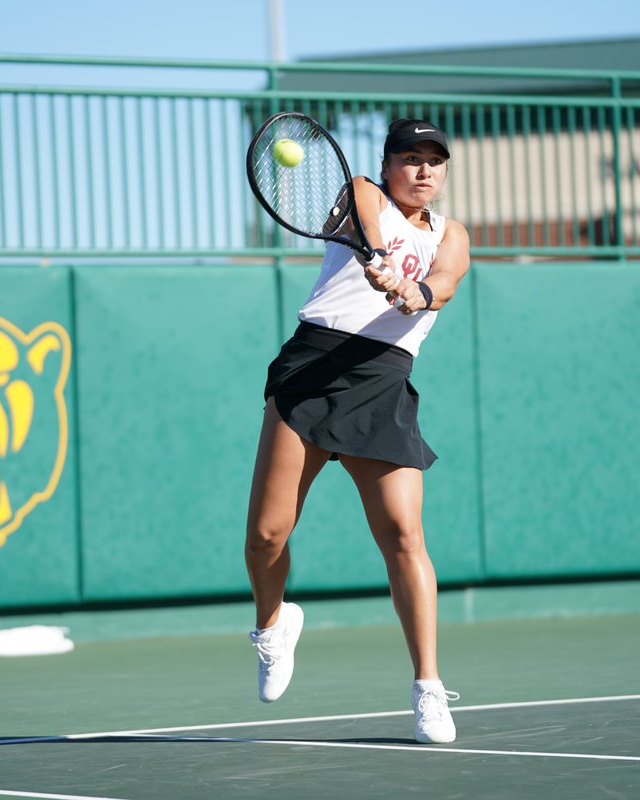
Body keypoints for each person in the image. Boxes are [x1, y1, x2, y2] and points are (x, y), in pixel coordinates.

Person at [244, 118, 471, 745]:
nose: (424, 171)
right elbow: (370, 224)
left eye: (435, 161)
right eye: (411, 158)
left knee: (404, 535)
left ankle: (428, 686)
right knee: (266, 535)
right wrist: (379, 263)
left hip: (383, 383)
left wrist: (414, 291)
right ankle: (273, 624)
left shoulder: (454, 236)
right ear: (388, 162)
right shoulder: (363, 191)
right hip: (313, 367)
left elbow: (445, 283)